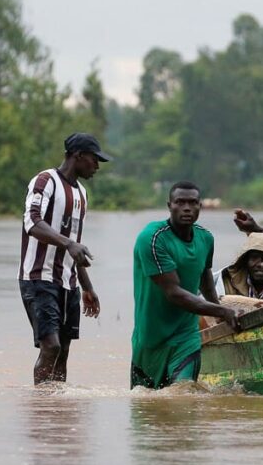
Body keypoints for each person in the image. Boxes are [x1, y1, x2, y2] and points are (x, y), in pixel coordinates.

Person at [19, 132, 110, 385]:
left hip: (68, 283)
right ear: (78, 156)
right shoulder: (45, 181)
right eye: (94, 159)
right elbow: (33, 222)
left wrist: (88, 287)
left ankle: (58, 411)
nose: (97, 167)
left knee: (64, 351)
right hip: (39, 278)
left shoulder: (82, 193)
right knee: (51, 346)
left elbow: (75, 247)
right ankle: (41, 407)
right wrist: (68, 243)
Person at [131, 181, 241, 389]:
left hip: (186, 336)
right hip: (151, 338)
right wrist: (224, 311)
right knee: (145, 406)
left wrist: (218, 313)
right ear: (169, 205)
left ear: (200, 206)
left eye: (192, 203)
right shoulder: (152, 239)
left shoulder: (205, 238)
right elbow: (174, 293)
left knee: (183, 394)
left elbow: (205, 279)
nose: (187, 208)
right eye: (180, 202)